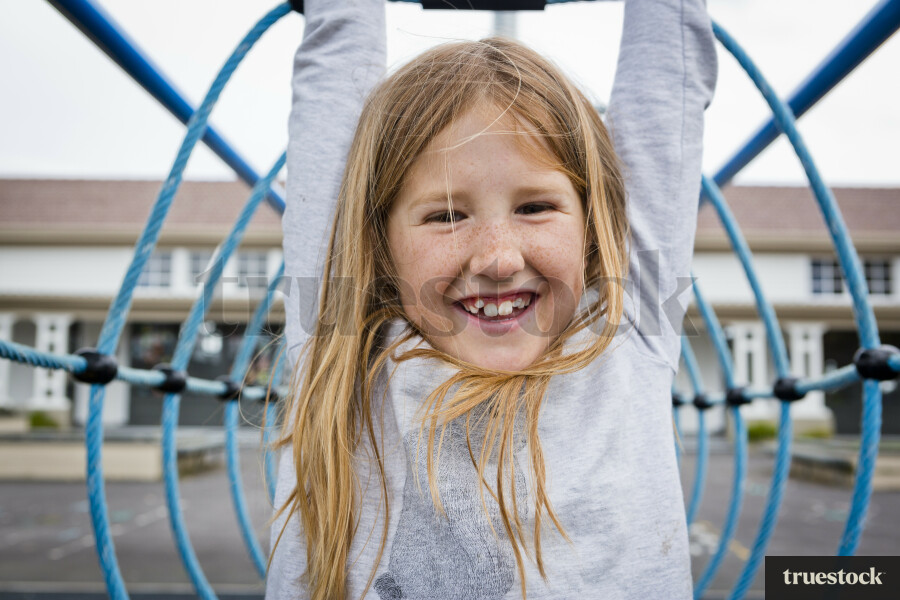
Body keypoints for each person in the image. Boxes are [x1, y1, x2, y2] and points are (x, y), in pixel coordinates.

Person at [267, 0, 717, 598]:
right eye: (447, 215)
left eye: (535, 207)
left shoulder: (626, 329)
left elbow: (667, 91)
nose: (498, 259)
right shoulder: (342, 345)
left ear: (592, 225)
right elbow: (330, 88)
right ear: (378, 242)